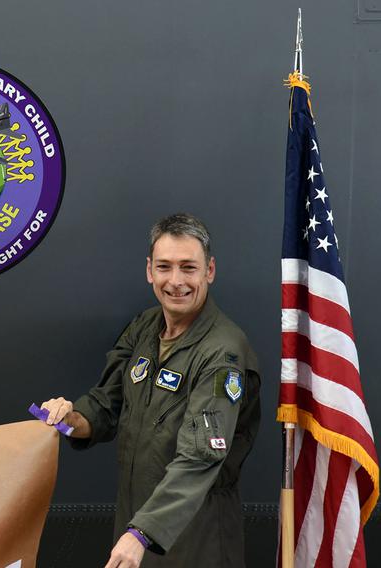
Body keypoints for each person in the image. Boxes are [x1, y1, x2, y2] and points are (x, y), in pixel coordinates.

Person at [40, 213, 261, 568]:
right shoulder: (144, 327)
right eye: (164, 267)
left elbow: (200, 458)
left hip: (194, 538)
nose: (175, 281)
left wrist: (142, 532)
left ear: (210, 271)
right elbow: (106, 406)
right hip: (135, 530)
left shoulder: (223, 352)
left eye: (188, 267)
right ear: (149, 271)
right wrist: (69, 420)